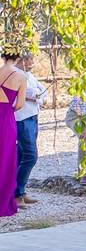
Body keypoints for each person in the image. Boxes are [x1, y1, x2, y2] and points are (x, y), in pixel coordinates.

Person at [15, 53, 44, 206]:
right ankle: (16, 193)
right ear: (23, 60)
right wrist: (34, 94)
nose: (33, 64)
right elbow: (29, 92)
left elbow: (40, 91)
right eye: (30, 61)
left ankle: (20, 190)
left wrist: (36, 95)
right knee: (30, 156)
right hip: (22, 118)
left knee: (21, 155)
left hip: (33, 116)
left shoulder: (28, 75)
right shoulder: (15, 74)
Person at [1, 52, 26, 216]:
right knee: (5, 158)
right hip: (6, 120)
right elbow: (20, 104)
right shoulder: (21, 76)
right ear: (18, 58)